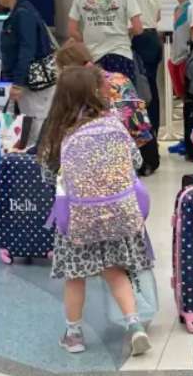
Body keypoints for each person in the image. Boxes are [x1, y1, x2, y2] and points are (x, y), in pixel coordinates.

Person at [38, 66, 152, 355]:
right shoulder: (113, 124)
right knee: (116, 272)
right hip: (118, 213)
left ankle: (74, 335)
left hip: (78, 218)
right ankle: (135, 326)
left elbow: (48, 175)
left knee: (75, 278)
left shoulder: (57, 132)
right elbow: (136, 162)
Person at [54, 40, 153, 152]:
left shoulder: (80, 88)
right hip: (136, 144)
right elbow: (137, 123)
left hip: (104, 149)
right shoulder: (119, 78)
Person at [0, 0, 56, 145]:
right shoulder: (21, 12)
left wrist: (18, 83)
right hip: (27, 82)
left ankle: (34, 158)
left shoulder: (23, 14)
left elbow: (26, 50)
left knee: (33, 125)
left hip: (33, 84)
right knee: (29, 123)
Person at [68, 0, 143, 83]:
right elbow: (138, 28)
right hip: (120, 55)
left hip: (92, 60)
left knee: (96, 95)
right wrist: (124, 32)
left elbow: (72, 30)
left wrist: (88, 39)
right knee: (121, 95)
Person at [114, 0, 163, 131]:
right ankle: (153, 132)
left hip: (134, 38)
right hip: (153, 38)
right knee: (151, 86)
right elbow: (158, 15)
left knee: (132, 89)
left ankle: (138, 133)